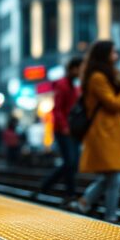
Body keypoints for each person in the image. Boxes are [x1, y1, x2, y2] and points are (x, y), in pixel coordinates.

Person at [72, 41, 120, 222]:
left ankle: (86, 202)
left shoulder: (105, 76)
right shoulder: (97, 78)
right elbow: (113, 104)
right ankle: (110, 216)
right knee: (114, 175)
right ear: (104, 55)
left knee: (110, 176)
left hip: (110, 132)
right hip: (102, 132)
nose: (116, 56)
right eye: (113, 52)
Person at [39, 57, 83, 200]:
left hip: (73, 130)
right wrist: (64, 127)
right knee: (70, 162)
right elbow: (57, 109)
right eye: (80, 68)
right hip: (62, 130)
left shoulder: (74, 85)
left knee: (73, 163)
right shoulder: (62, 85)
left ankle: (47, 186)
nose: (82, 71)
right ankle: (69, 193)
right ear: (73, 68)